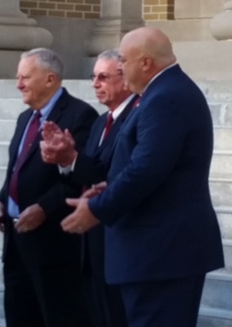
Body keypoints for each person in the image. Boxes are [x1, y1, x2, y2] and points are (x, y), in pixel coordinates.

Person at [61, 27, 224, 326]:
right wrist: (108, 187)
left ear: (146, 62)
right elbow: (148, 164)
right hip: (157, 252)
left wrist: (98, 208)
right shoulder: (162, 93)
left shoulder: (166, 97)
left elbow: (148, 169)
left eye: (123, 59)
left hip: (162, 253)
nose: (120, 66)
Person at [0, 48, 98, 327]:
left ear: (50, 79)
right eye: (18, 77)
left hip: (54, 245)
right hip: (16, 240)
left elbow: (80, 178)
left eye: (25, 77)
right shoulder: (25, 118)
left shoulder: (80, 116)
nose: (18, 84)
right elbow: (16, 169)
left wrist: (44, 208)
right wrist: (1, 200)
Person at [40, 49, 137, 327]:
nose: (95, 84)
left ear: (125, 78)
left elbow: (116, 175)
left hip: (119, 243)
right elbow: (90, 170)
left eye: (103, 77)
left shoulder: (136, 117)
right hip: (93, 247)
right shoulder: (99, 122)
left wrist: (72, 158)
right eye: (94, 77)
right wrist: (66, 161)